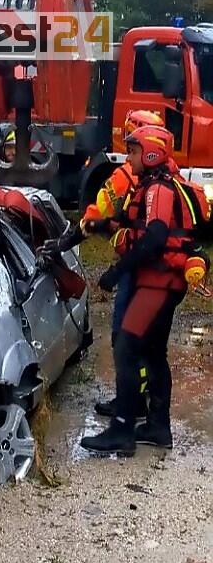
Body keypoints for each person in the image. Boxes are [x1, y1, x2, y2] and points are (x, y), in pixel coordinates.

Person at [41, 110, 170, 421]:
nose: (129, 152)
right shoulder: (168, 175)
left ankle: (131, 405)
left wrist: (62, 245)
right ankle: (147, 408)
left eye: (132, 145)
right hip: (161, 274)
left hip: (137, 268)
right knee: (152, 344)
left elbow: (93, 218)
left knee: (124, 336)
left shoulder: (126, 178)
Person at [81, 125, 196, 454]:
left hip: (159, 282)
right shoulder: (153, 186)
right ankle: (159, 429)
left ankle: (122, 429)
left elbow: (156, 236)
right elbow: (137, 228)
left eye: (133, 151)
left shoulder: (158, 190)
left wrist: (116, 273)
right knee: (153, 353)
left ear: (151, 152)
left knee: (127, 347)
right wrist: (101, 226)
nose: (128, 158)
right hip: (164, 282)